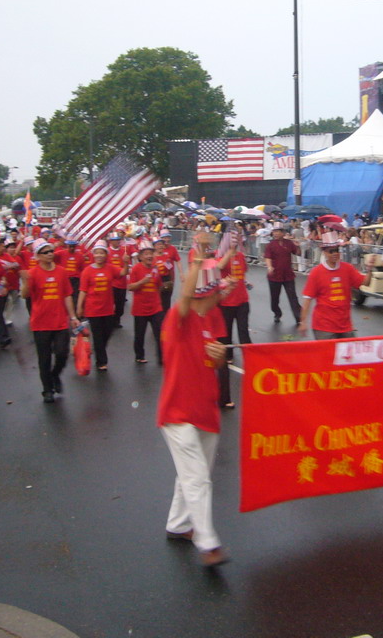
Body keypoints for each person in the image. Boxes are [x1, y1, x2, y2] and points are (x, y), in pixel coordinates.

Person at [157, 249, 231, 567]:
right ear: (207, 293)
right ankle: (207, 542)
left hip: (205, 411)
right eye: (218, 292)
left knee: (190, 475)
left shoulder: (206, 324)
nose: (222, 296)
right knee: (197, 476)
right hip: (177, 413)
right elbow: (184, 297)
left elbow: (207, 364)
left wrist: (219, 358)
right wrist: (198, 265)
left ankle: (177, 524)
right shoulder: (179, 318)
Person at [22, 239, 79, 402]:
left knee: (62, 353)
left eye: (51, 251)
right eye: (46, 252)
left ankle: (55, 375)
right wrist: (26, 282)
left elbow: (67, 295)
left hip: (60, 321)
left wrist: (73, 317)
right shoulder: (32, 273)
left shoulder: (61, 271)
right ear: (38, 256)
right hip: (40, 323)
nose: (50, 254)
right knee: (44, 358)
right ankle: (47, 390)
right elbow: (25, 295)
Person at [299, 231, 368, 340]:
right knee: (327, 356)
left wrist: (370, 270)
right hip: (324, 327)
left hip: (345, 326)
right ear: (325, 253)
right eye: (331, 251)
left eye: (337, 250)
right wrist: (303, 322)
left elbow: (364, 283)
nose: (335, 253)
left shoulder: (347, 269)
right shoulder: (316, 272)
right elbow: (307, 299)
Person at [217, 230, 251, 408]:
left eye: (238, 242)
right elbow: (219, 268)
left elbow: (243, 273)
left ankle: (251, 358)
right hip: (226, 302)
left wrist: (245, 283)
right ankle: (228, 356)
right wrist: (228, 254)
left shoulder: (240, 256)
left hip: (242, 300)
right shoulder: (220, 256)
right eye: (233, 242)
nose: (236, 245)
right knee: (226, 333)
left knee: (244, 330)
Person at [77, 241, 121, 372]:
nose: (99, 255)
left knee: (107, 333)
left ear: (106, 254)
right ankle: (101, 361)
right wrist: (79, 307)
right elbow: (83, 290)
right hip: (93, 309)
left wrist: (125, 261)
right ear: (93, 255)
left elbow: (123, 273)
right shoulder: (87, 271)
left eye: (102, 252)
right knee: (98, 335)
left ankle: (98, 349)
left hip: (107, 309)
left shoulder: (110, 268)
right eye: (97, 253)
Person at [128, 244, 164, 364]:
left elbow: (158, 286)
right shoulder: (135, 269)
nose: (149, 256)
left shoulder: (155, 268)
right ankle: (139, 356)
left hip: (155, 307)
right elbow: (130, 287)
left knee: (160, 333)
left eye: (151, 253)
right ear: (140, 257)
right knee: (140, 335)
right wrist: (142, 282)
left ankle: (162, 358)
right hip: (140, 308)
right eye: (146, 254)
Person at [264, 226, 301, 324]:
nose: (275, 234)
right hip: (274, 276)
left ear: (283, 233)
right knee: (274, 298)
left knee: (293, 297)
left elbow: (297, 253)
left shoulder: (289, 243)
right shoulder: (270, 245)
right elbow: (268, 258)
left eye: (278, 232)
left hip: (288, 275)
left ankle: (298, 317)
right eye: (274, 232)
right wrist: (269, 267)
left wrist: (297, 246)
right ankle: (277, 313)